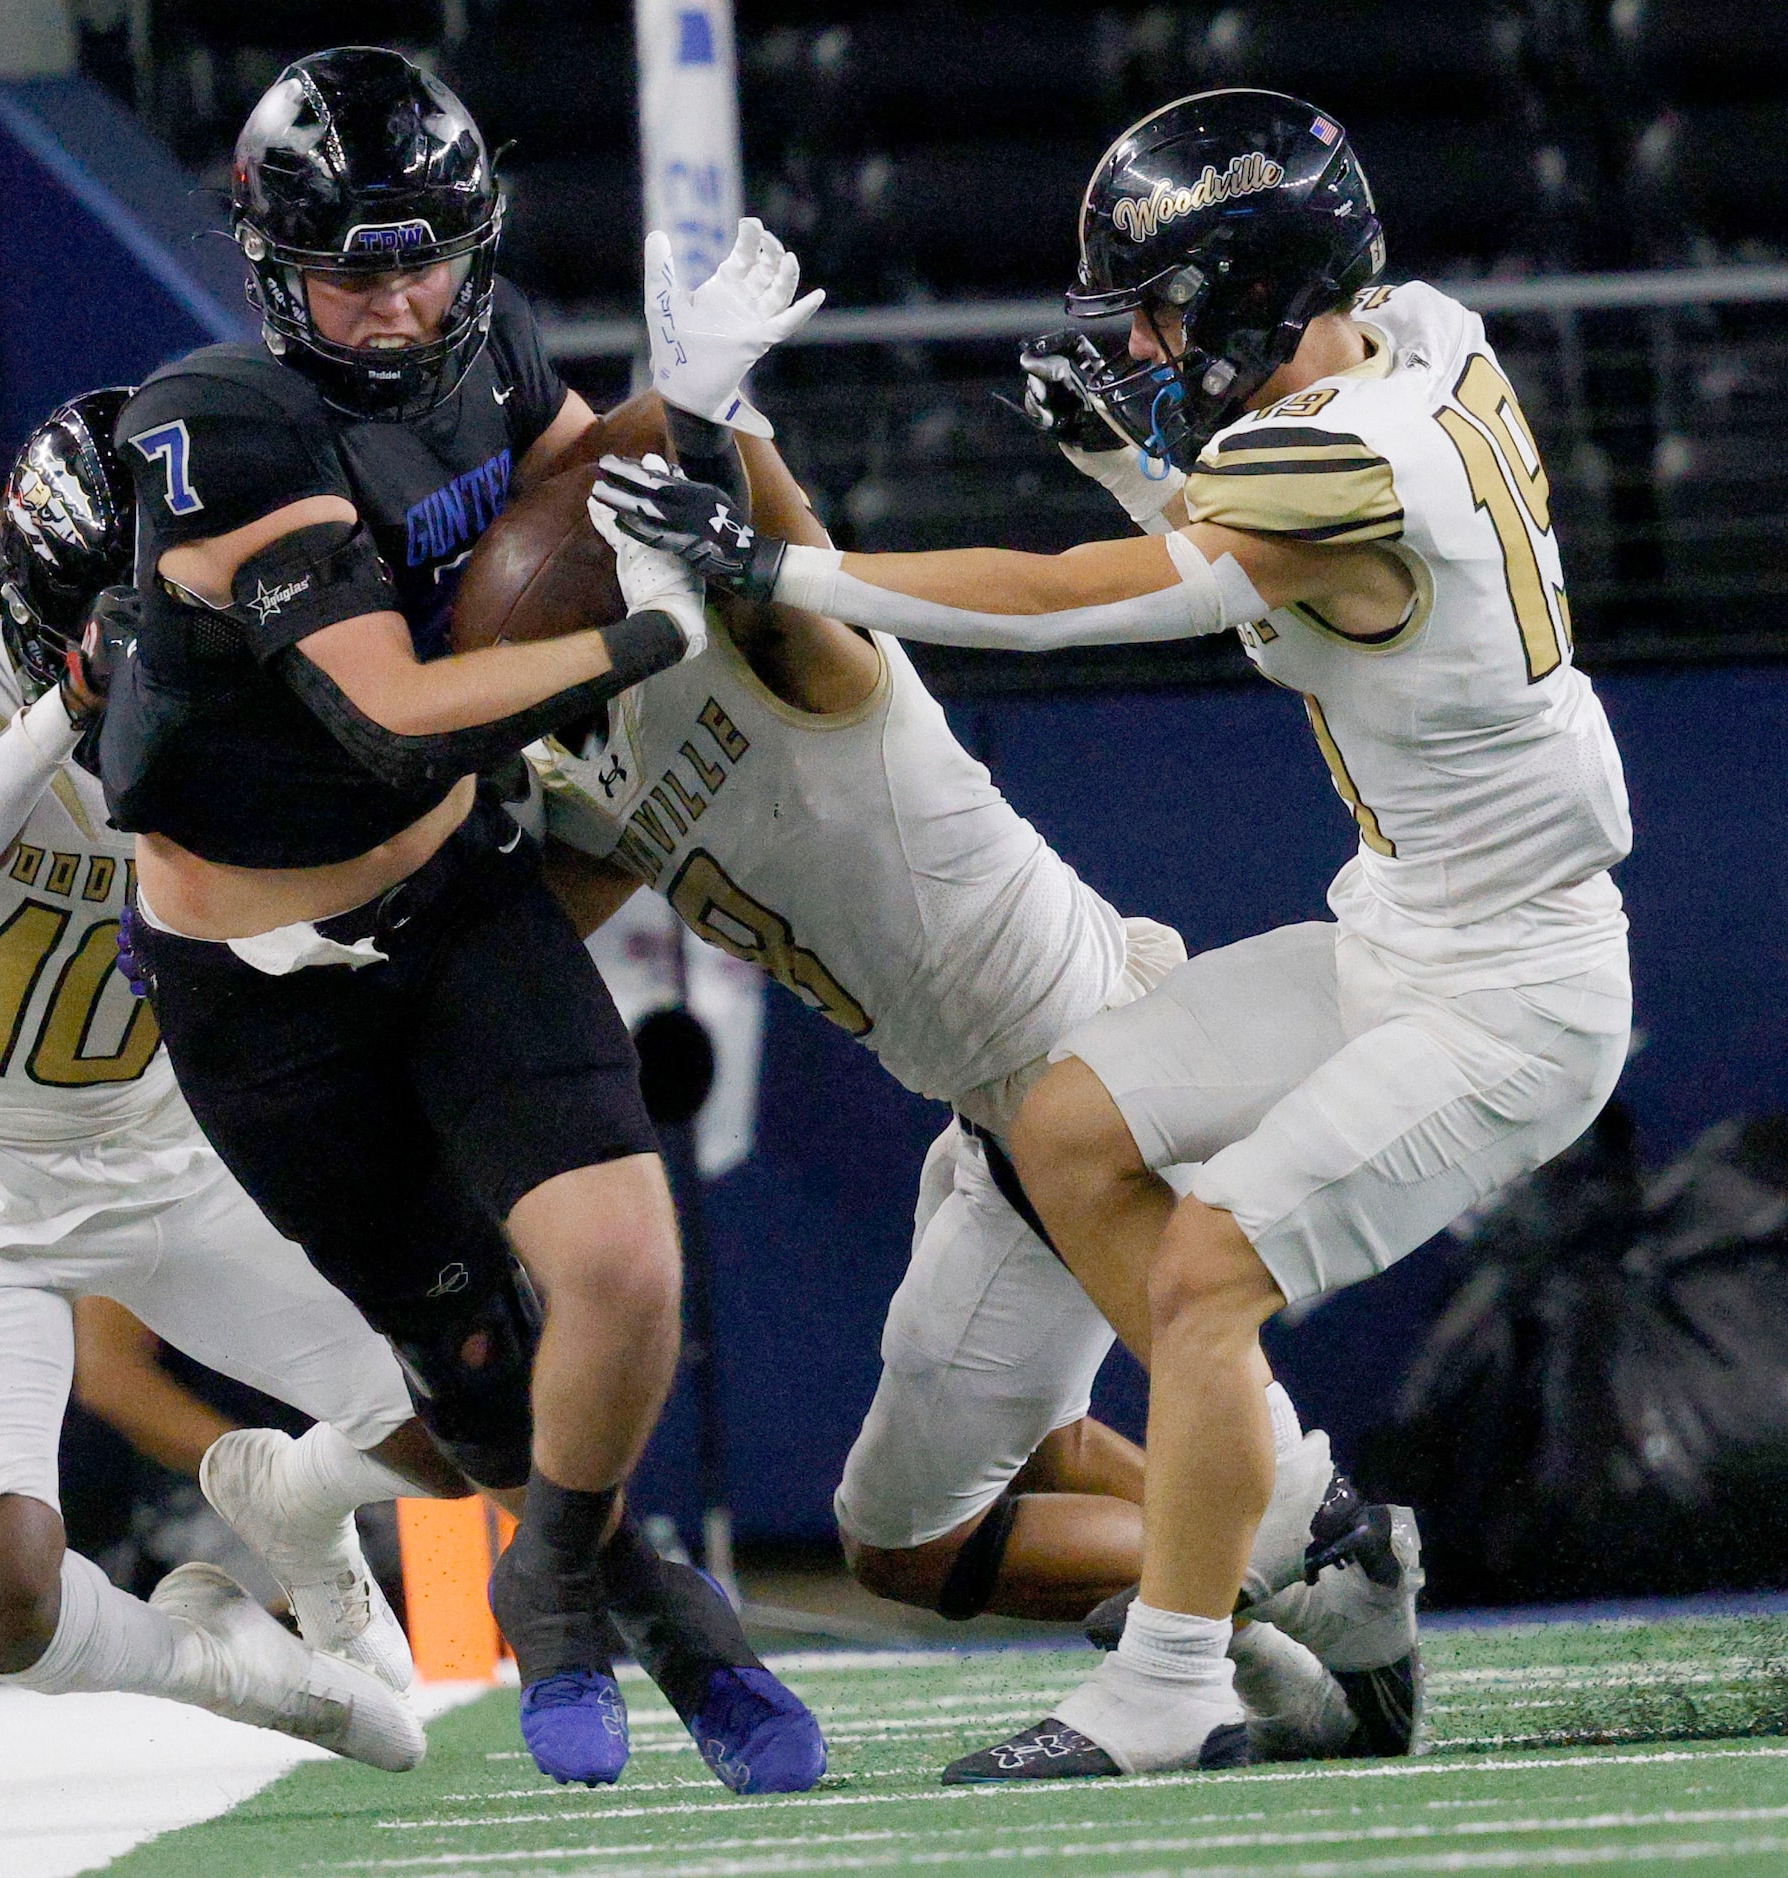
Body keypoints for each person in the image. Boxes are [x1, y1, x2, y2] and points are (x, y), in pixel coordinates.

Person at [596, 87, 1631, 1781]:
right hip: (1406, 926)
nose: (1146, 337)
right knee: (1068, 1124)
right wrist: (1151, 471)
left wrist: (790, 573)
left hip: (1510, 995)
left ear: (1251, 283)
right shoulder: (1420, 342)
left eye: (1163, 301)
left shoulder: (1342, 452)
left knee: (1209, 1269)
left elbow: (1087, 597)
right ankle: (1338, 1574)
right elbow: (1279, 560)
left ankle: (1165, 1683)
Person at [101, 47, 824, 1793]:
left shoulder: (481, 340)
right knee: (473, 1364)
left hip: (447, 895)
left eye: (427, 254)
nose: (400, 295)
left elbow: (579, 498)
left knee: (626, 1273)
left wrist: (698, 408)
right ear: (276, 260)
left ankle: (556, 1597)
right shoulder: (220, 424)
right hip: (261, 991)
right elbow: (384, 711)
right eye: (357, 264)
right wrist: (638, 645)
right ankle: (642, 1597)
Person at [541, 421, 1356, 1764]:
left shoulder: (799, 651)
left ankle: (1265, 1572)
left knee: (906, 1537)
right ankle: (1271, 1558)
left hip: (1074, 1087)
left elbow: (748, 467)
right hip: (1019, 1092)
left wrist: (677, 408)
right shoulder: (596, 769)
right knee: (1029, 1444)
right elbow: (505, 936)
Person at [0, 390, 468, 1776]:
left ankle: (287, 1497)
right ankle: (235, 1669)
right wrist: (70, 702)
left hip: (175, 1145)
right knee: (1, 1600)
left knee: (490, 1415)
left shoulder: (257, 680)